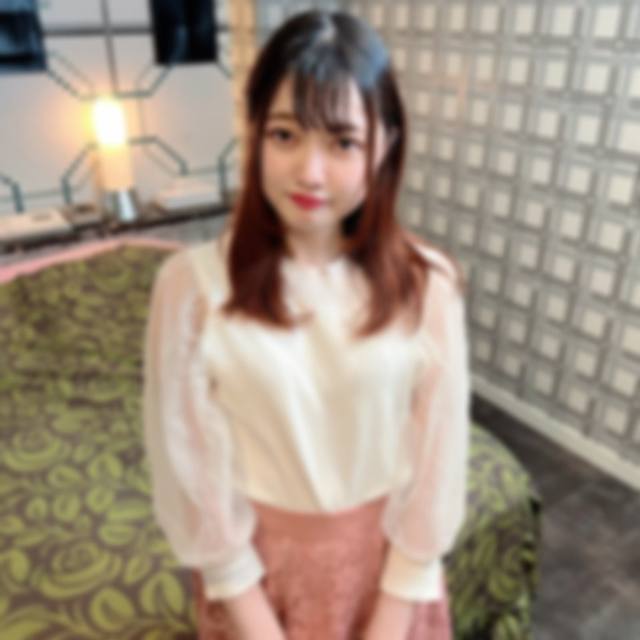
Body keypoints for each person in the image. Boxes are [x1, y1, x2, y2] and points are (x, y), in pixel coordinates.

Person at [143, 9, 471, 640]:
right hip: (259, 584)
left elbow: (436, 470)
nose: (309, 172)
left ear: (385, 145)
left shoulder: (428, 285)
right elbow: (195, 481)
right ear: (255, 133)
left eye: (343, 142)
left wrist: (389, 622)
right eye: (285, 135)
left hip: (390, 580)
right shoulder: (190, 289)